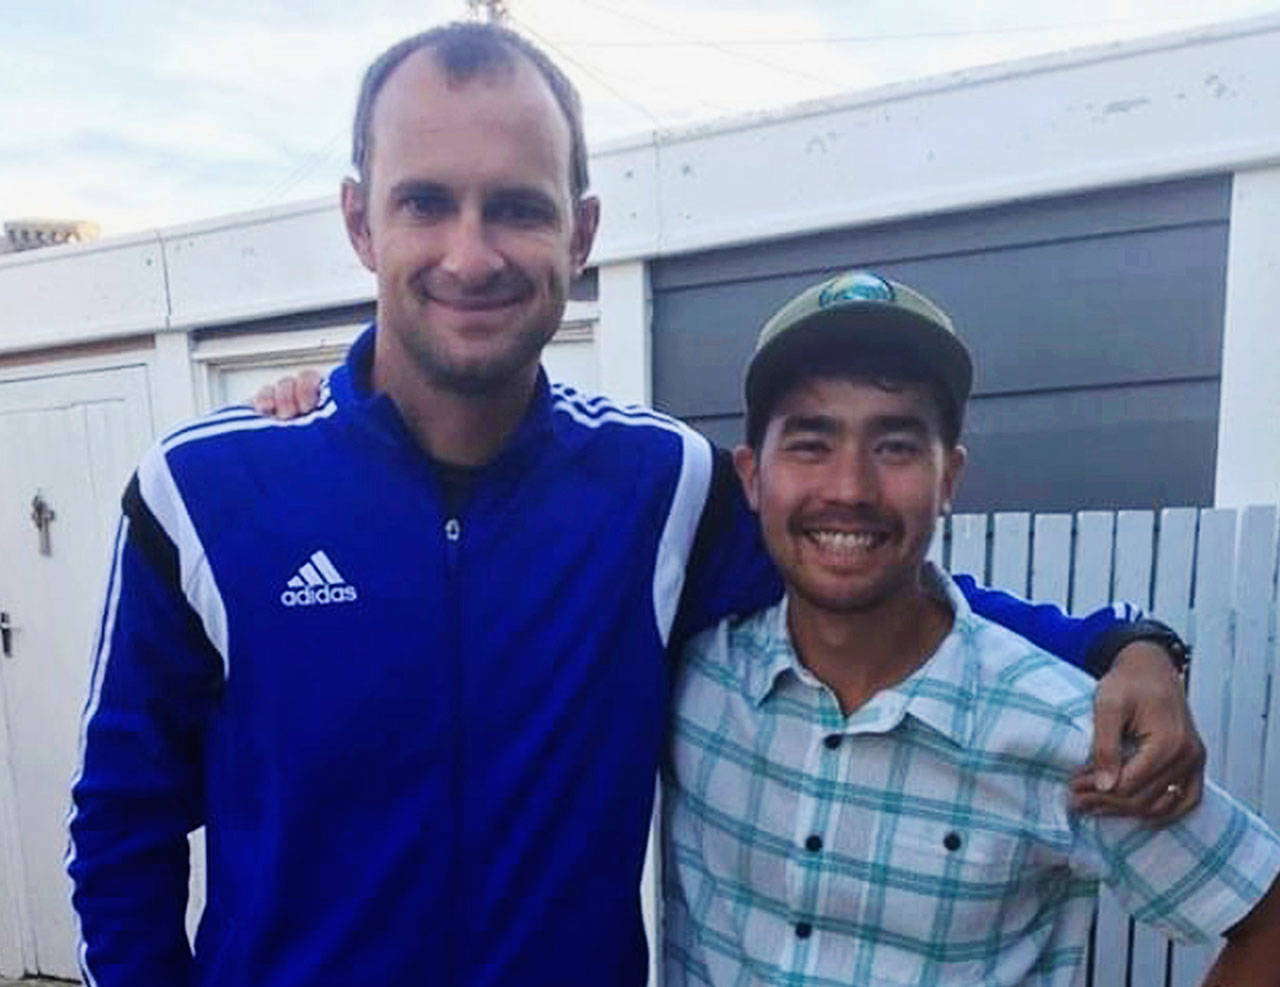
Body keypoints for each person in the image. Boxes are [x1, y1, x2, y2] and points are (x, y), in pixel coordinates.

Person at [69, 22, 1201, 987]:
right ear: (364, 222)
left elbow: (871, 580)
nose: (471, 255)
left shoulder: (656, 488)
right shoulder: (208, 492)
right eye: (427, 203)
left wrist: (1124, 645)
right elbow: (124, 827)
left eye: (515, 207)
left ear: (582, 231)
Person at [662, 269, 1280, 985]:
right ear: (750, 475)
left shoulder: (1067, 731)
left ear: (949, 477)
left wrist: (1135, 646)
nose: (849, 488)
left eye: (894, 446)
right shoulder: (692, 677)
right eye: (810, 442)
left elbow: (1266, 914)